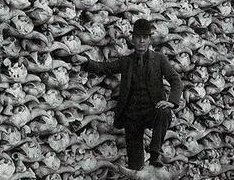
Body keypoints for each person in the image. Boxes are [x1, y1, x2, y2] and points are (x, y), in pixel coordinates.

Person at [79, 19, 184, 170]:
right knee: (135, 164)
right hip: (132, 115)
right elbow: (105, 68)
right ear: (133, 40)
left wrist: (172, 101)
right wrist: (85, 62)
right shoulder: (126, 61)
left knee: (165, 112)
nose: (141, 41)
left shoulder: (159, 59)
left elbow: (176, 81)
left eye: (145, 37)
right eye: (138, 37)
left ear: (149, 39)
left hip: (151, 111)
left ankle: (155, 155)